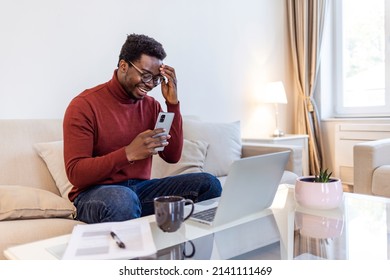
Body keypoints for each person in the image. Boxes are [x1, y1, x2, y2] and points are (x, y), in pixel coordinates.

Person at [63, 34, 222, 224]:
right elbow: (76, 174)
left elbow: (171, 156)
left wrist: (172, 103)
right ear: (123, 66)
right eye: (145, 75)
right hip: (94, 194)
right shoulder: (84, 105)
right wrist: (128, 153)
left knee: (208, 184)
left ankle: (185, 250)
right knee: (122, 199)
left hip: (140, 190)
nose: (150, 84)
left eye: (156, 79)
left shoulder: (151, 106)